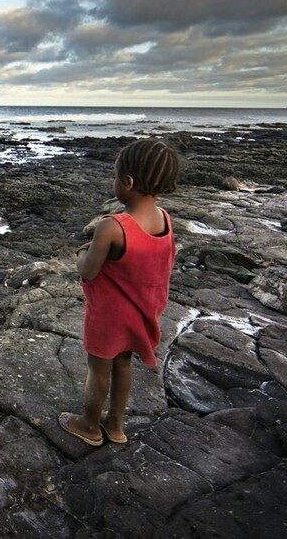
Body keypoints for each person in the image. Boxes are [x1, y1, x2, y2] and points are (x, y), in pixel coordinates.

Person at [58, 138, 180, 446]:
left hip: (109, 316)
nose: (114, 182)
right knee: (123, 364)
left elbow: (88, 269)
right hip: (143, 313)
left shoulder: (112, 226)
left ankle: (88, 425)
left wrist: (81, 253)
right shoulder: (164, 219)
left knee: (99, 370)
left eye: (115, 176)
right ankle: (115, 424)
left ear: (127, 181)